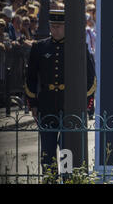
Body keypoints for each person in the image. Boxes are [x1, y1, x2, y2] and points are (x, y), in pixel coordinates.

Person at [25, 10, 97, 172]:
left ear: (66, 27)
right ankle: (50, 178)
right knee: (48, 149)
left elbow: (90, 78)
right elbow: (30, 78)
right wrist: (34, 104)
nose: (54, 30)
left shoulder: (77, 47)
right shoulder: (39, 47)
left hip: (69, 106)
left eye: (59, 26)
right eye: (53, 26)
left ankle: (67, 177)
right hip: (47, 105)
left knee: (67, 149)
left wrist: (84, 104)